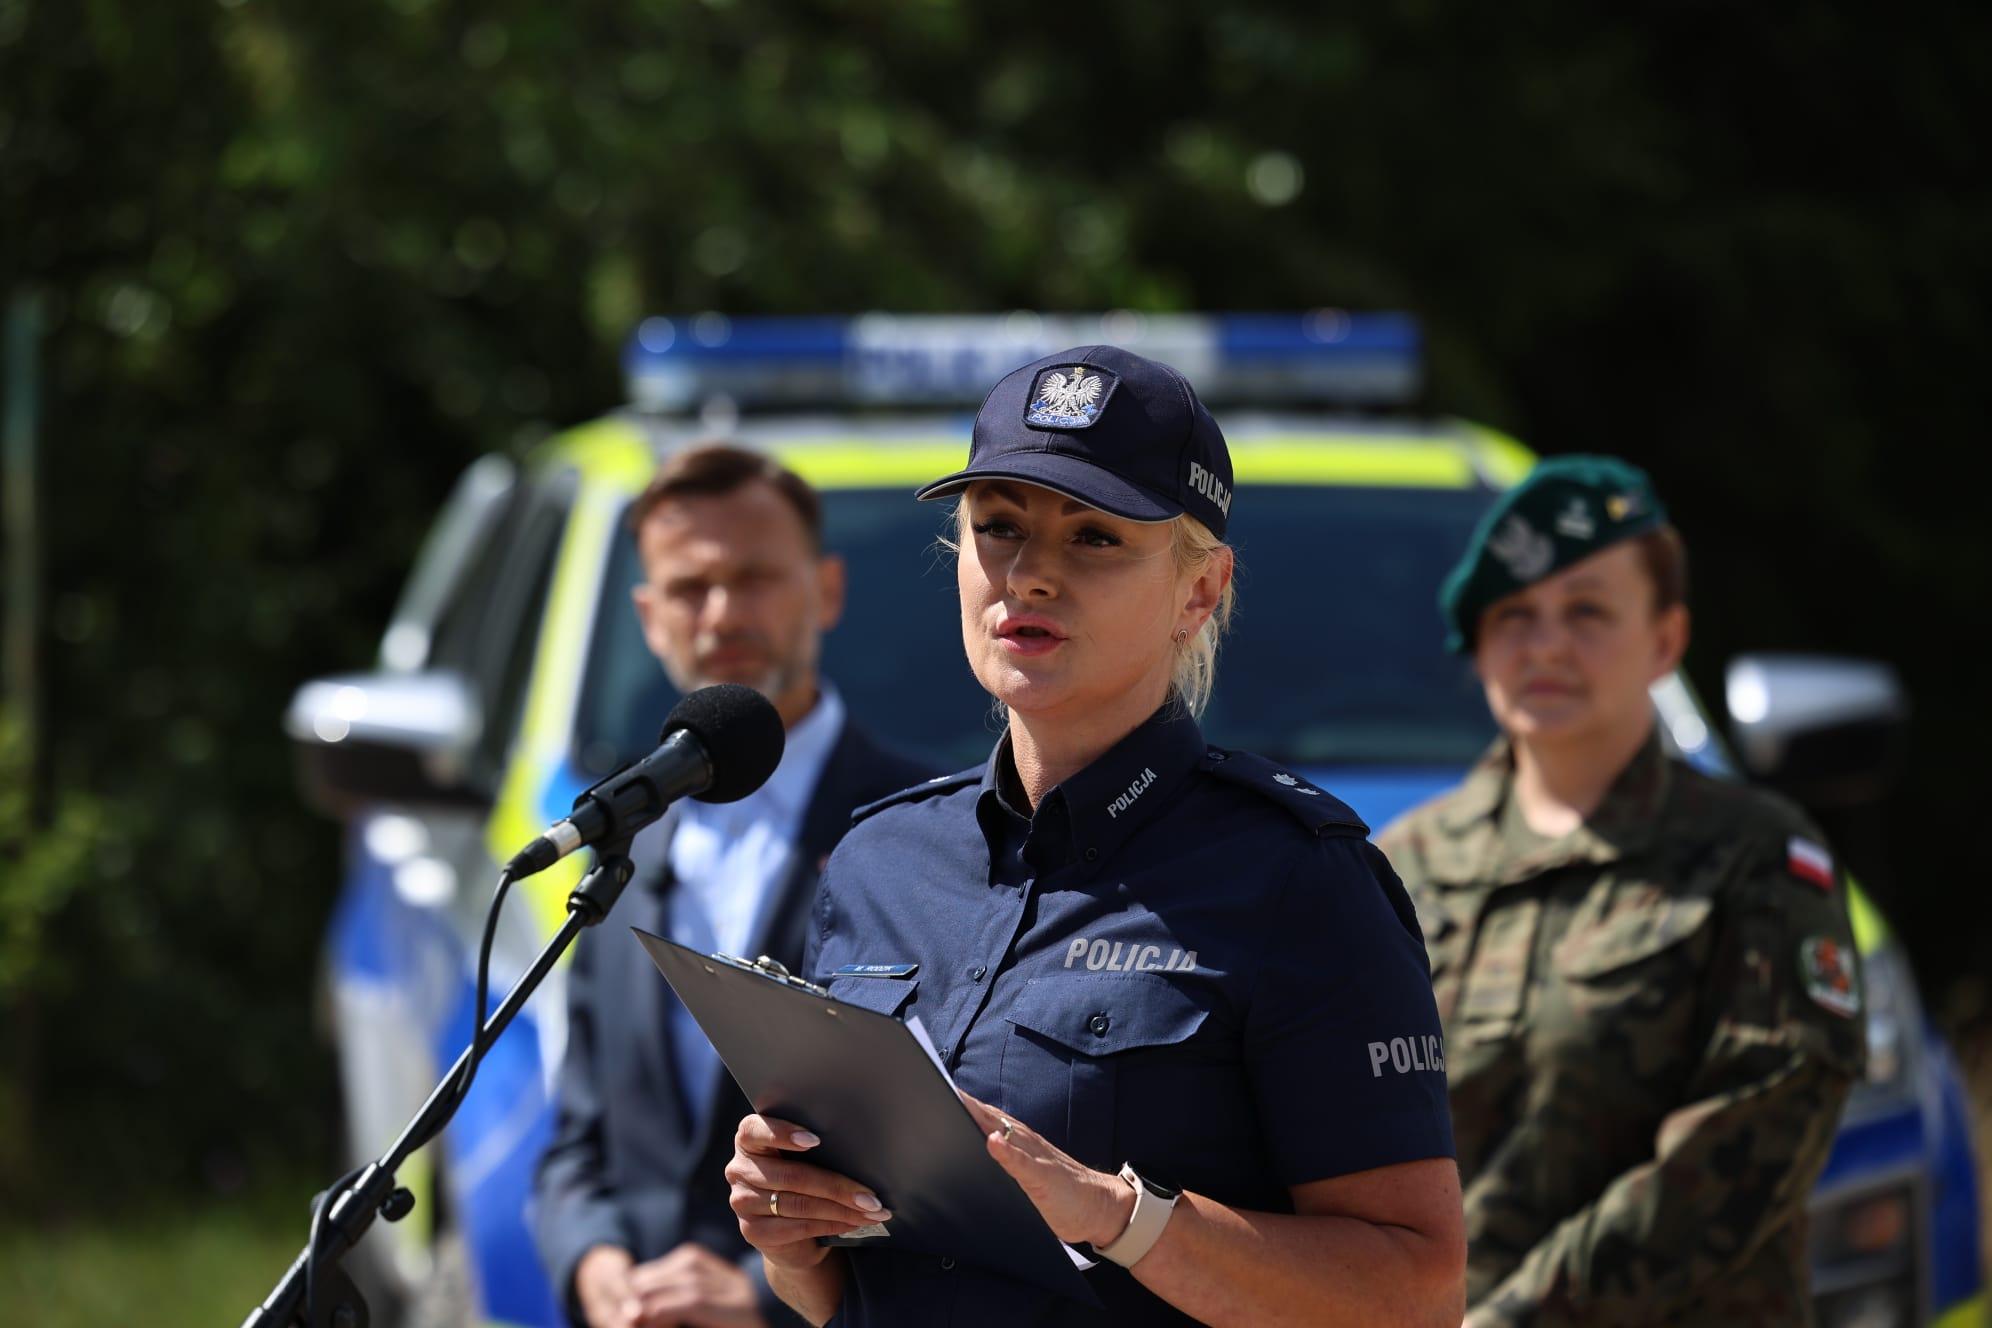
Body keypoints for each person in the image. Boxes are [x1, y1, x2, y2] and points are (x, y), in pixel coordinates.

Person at [721, 346, 1467, 1327]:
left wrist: (1114, 1214)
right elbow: (865, 1289)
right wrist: (796, 1246)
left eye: (1095, 537)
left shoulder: (1298, 878)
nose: (1031, 574)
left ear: (1199, 591)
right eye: (999, 527)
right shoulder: (873, 861)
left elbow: (1417, 1296)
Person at [1377, 455, 1867, 1326]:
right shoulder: (1400, 865)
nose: (1546, 647)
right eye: (1514, 615)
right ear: (1480, 645)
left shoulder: (1754, 856)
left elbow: (1747, 1145)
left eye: (1587, 612)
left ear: (1666, 642)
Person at [532, 444, 934, 1328]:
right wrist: (594, 1264)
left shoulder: (930, 835)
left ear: (826, 590)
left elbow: (955, 1154)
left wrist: (760, 1294)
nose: (722, 613)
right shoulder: (621, 843)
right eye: (689, 588)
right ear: (649, 617)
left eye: (754, 578)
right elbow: (579, 1142)